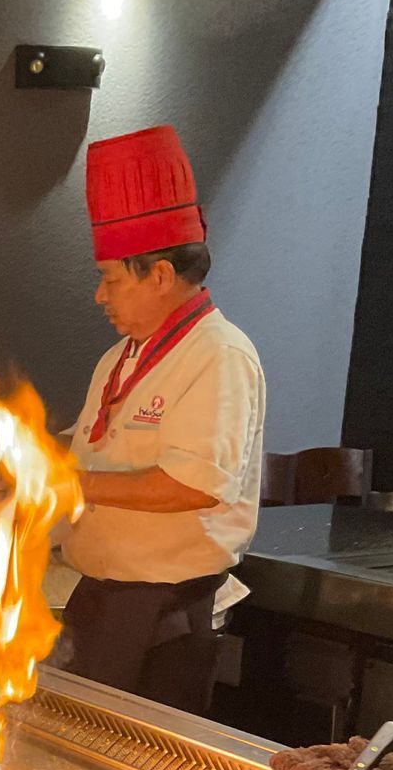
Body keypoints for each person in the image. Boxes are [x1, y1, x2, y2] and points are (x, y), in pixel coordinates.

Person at [58, 124, 266, 713]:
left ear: (160, 275)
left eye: (110, 279)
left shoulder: (218, 355)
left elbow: (195, 485)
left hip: (164, 615)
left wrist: (71, 485)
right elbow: (96, 446)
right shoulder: (121, 356)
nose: (101, 296)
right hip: (104, 598)